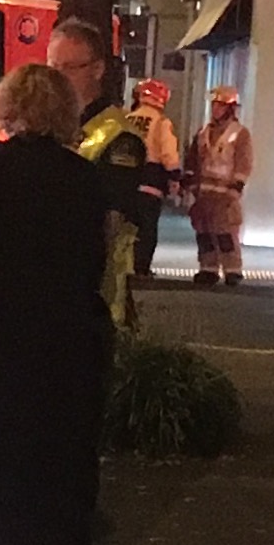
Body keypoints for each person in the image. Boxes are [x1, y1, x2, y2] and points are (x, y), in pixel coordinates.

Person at [0, 63, 111, 545]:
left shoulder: (1, 169)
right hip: (69, 334)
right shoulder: (83, 176)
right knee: (56, 452)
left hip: (8, 334)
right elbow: (96, 260)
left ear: (11, 106)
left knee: (0, 450)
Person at [46, 18, 147, 324]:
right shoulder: (53, 126)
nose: (57, 77)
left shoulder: (119, 138)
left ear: (97, 70)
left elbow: (110, 220)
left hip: (94, 294)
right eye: (52, 66)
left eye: (69, 68)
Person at [185, 86, 253, 286]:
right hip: (203, 194)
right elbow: (193, 160)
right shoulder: (203, 132)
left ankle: (232, 270)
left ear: (230, 109)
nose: (215, 109)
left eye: (220, 106)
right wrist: (189, 182)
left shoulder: (239, 134)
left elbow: (244, 161)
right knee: (204, 233)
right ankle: (208, 269)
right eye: (214, 105)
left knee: (225, 233)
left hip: (225, 194)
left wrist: (236, 187)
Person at [126, 78, 181, 278]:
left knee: (129, 227)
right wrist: (174, 175)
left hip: (128, 180)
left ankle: (127, 265)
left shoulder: (128, 118)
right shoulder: (161, 122)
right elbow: (168, 153)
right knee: (147, 227)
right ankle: (142, 267)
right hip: (151, 182)